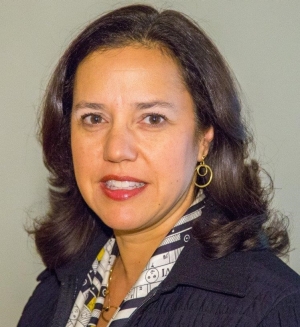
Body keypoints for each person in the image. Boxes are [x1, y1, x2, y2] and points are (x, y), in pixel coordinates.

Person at [18, 4, 300, 327]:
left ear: (204, 138)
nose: (116, 150)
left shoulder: (270, 309)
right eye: (94, 118)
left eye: (152, 119)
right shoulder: (56, 289)